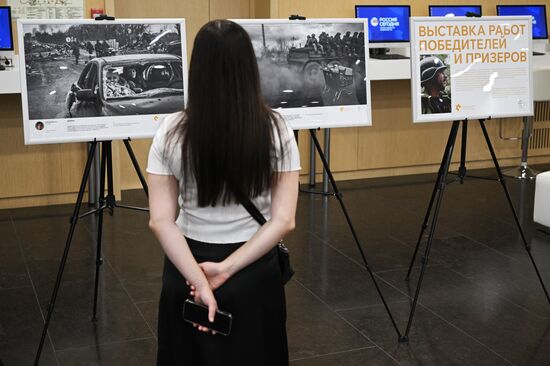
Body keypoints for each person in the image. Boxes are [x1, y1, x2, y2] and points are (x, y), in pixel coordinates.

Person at [147, 19, 300, 366]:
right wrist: (226, 270)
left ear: (195, 68)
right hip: (253, 268)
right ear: (249, 67)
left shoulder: (170, 131)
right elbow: (284, 219)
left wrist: (197, 279)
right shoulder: (276, 129)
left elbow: (160, 220)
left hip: (186, 264)